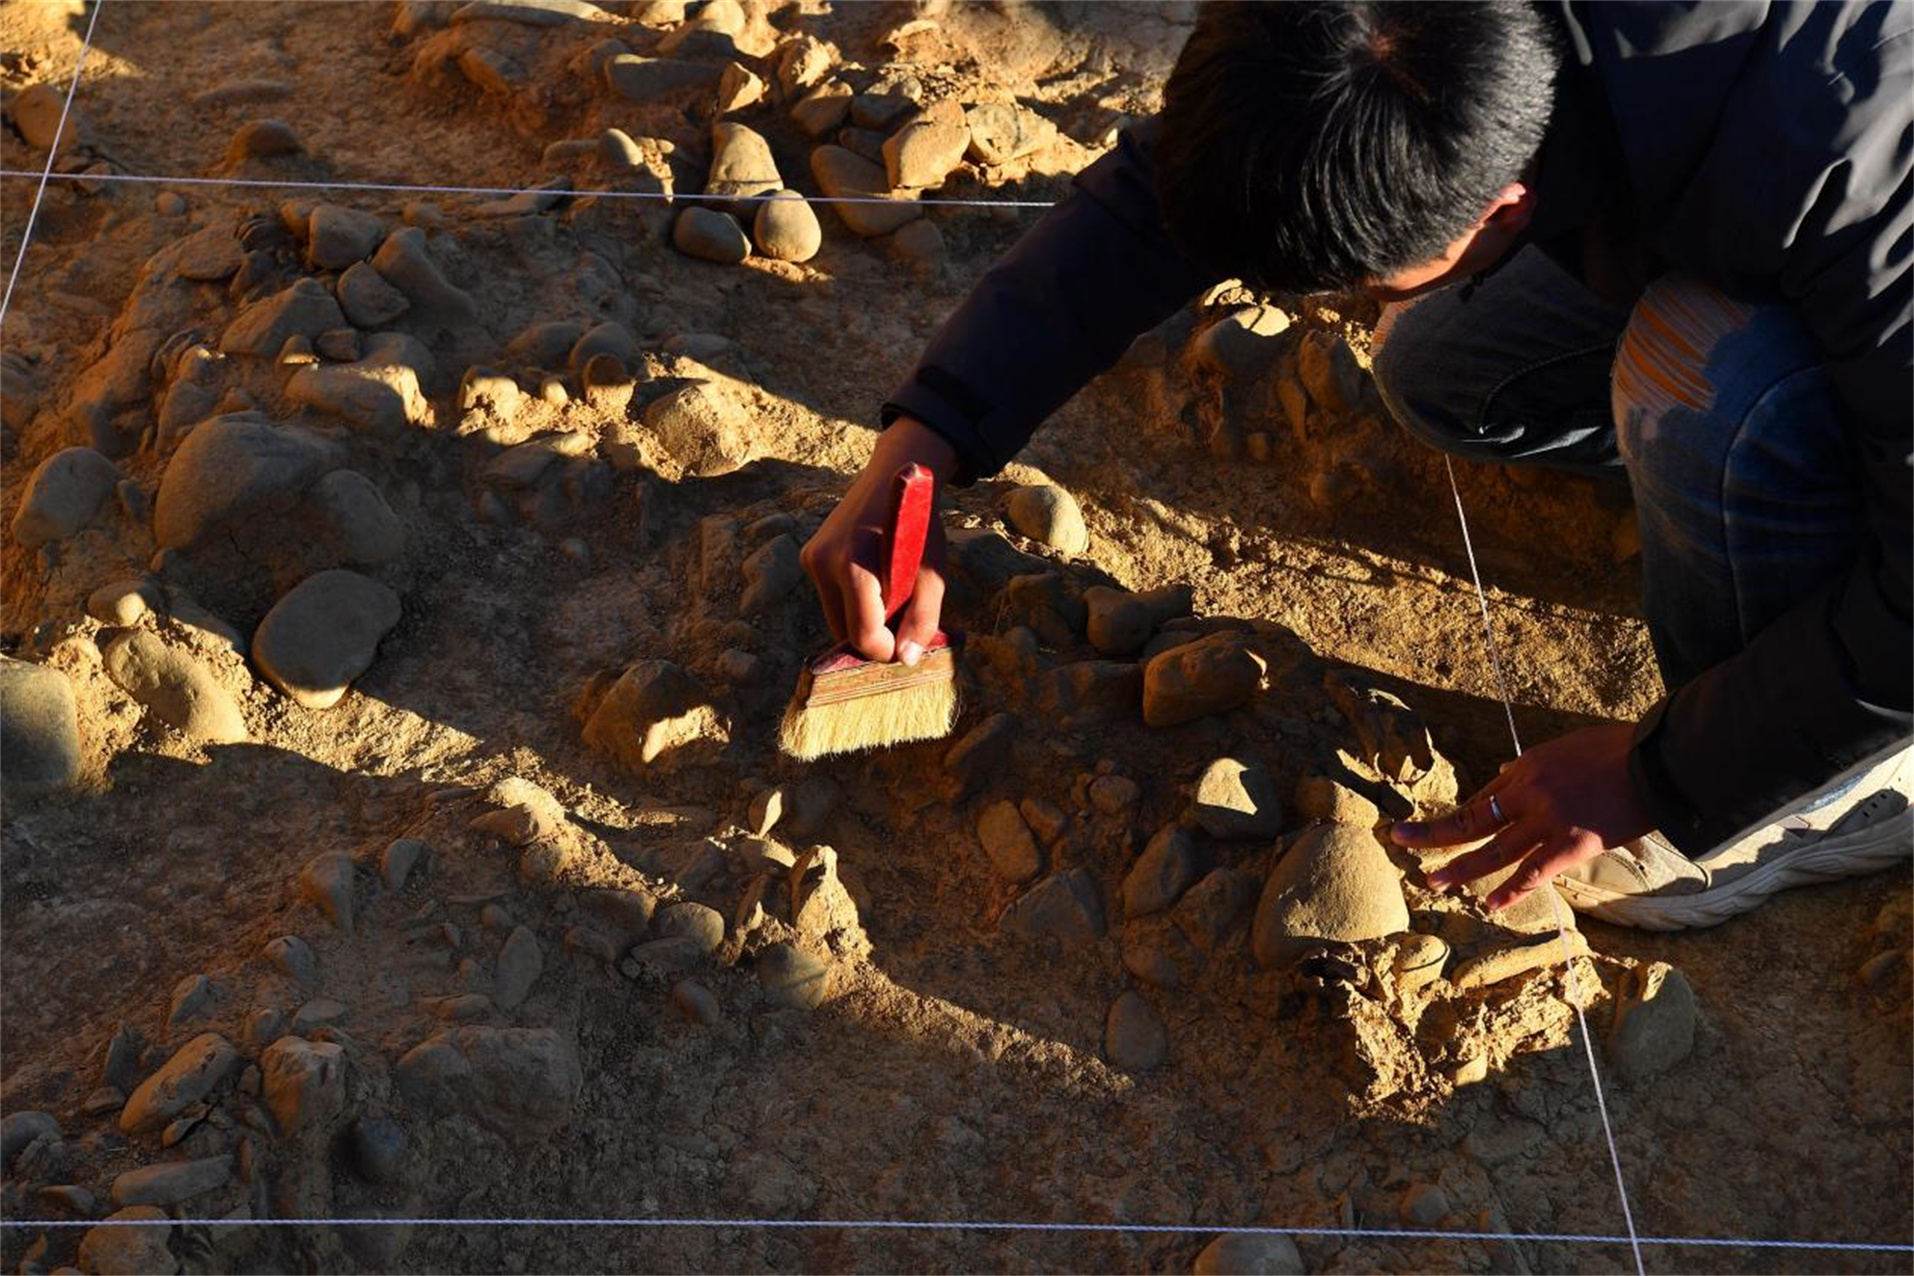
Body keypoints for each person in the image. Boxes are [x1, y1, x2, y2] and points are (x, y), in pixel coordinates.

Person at [799, 0, 1913, 930]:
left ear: (1507, 206)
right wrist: (931, 435)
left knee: (1701, 380)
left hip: (1852, 233)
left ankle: (1838, 786)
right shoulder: (1368, 28)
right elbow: (1197, 176)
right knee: (1436, 357)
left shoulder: (1855, 177)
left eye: (1361, 281)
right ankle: (1750, 487)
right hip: (1714, 179)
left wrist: (1659, 775)